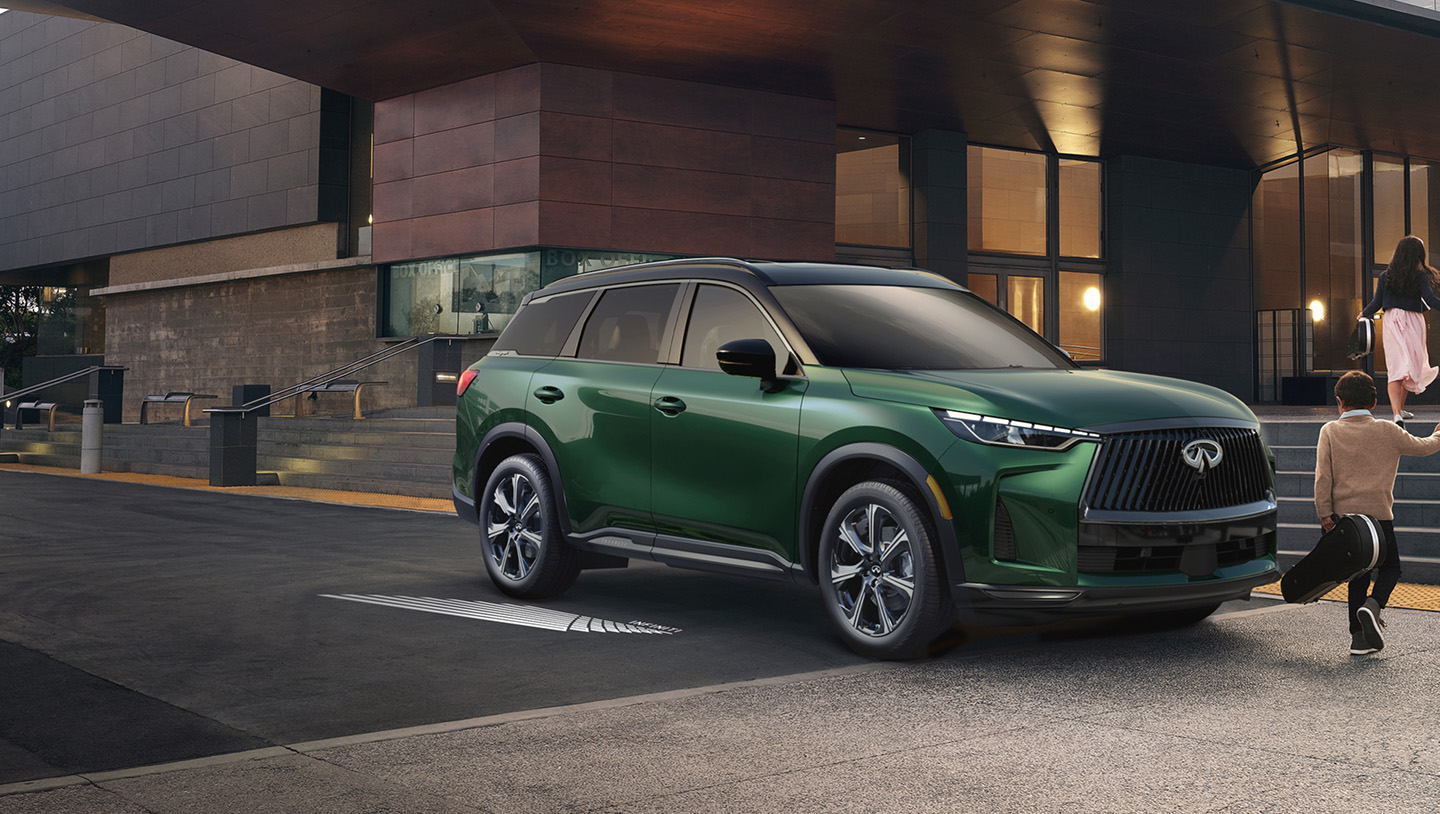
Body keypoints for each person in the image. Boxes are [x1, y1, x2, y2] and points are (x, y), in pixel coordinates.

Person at [1314, 370, 1440, 655]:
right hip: (1379, 518)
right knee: (1391, 567)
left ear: (1339, 401)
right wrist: (1438, 436)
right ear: (1373, 402)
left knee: (1358, 575)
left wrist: (1325, 514)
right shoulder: (1387, 430)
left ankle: (1358, 639)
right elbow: (1422, 447)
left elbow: (1323, 477)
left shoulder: (1330, 431)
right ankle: (1374, 605)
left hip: (1346, 521)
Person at [1361, 235, 1440, 427]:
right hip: (1413, 321)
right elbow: (1430, 300)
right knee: (1409, 367)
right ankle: (1399, 410)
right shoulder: (1421, 276)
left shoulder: (1385, 275)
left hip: (1391, 321)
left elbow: (1377, 303)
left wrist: (1363, 314)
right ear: (1417, 254)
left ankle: (1398, 412)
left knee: (1396, 368)